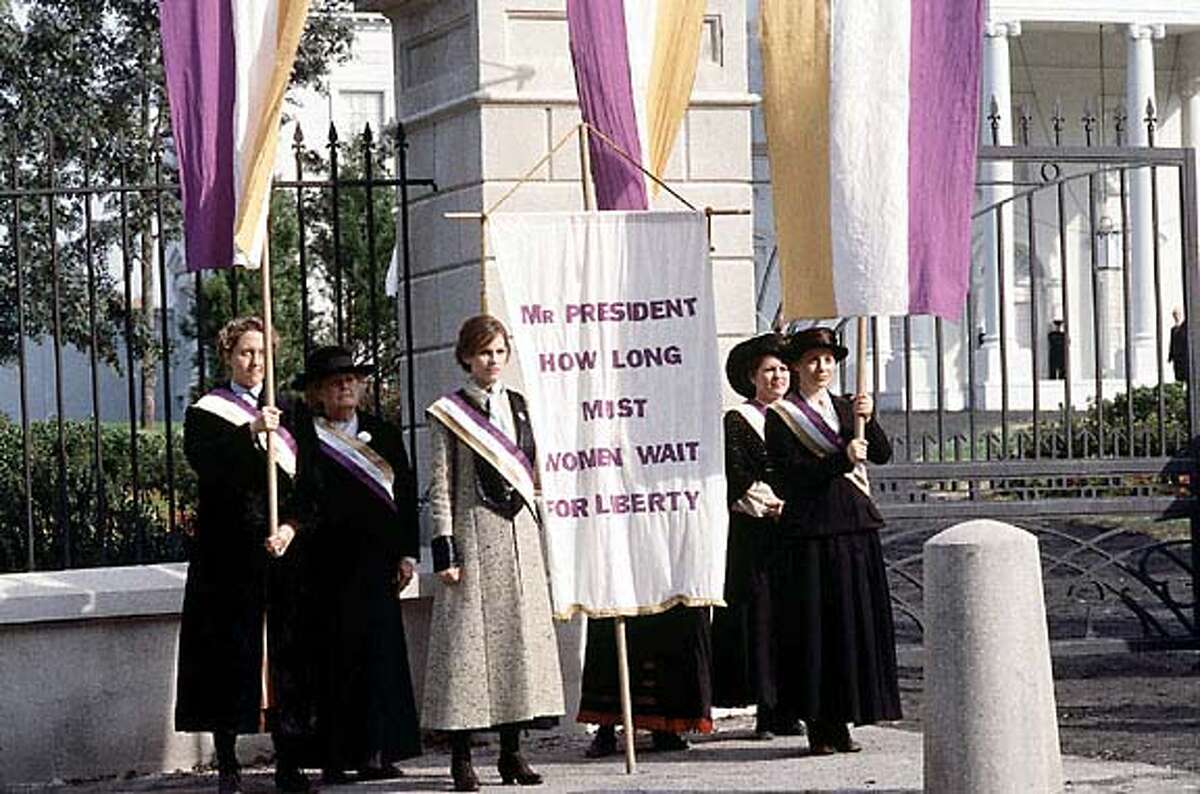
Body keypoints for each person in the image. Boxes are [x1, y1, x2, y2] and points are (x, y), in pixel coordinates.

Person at [423, 315, 564, 791]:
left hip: (518, 537)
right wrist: (445, 548)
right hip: (473, 536)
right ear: (466, 357)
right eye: (484, 352)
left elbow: (537, 474)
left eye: (500, 352)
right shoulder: (449, 411)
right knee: (466, 653)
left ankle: (512, 753)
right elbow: (440, 484)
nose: (492, 361)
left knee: (515, 651)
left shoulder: (521, 407)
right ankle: (461, 759)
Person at [175, 316, 312, 794]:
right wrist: (251, 431)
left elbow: (311, 485)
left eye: (262, 354)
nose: (255, 363)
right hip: (228, 554)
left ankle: (290, 761)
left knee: (287, 657)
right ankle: (229, 760)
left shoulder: (293, 411)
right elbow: (207, 467)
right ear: (229, 357)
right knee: (228, 654)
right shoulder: (206, 412)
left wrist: (292, 527)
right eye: (246, 353)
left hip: (282, 553)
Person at [765, 326, 901, 755]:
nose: (822, 368)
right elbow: (790, 478)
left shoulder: (847, 409)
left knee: (851, 629)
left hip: (855, 527)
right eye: (812, 361)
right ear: (797, 367)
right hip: (811, 532)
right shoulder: (783, 416)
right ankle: (818, 724)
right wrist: (839, 460)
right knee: (816, 630)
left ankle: (844, 719)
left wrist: (871, 416)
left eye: (828, 360)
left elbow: (880, 454)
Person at [291, 345, 422, 784]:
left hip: (376, 565)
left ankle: (377, 751)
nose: (345, 385)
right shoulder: (304, 436)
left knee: (379, 657)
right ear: (317, 393)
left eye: (351, 379)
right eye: (334, 381)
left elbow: (404, 497)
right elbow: (302, 496)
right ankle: (333, 755)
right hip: (325, 565)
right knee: (333, 660)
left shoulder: (383, 434)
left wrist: (407, 552)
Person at [711, 333, 789, 739]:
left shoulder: (800, 417)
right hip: (755, 534)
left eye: (782, 369)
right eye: (769, 371)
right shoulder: (739, 420)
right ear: (752, 377)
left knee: (792, 618)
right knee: (759, 620)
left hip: (793, 535)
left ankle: (791, 707)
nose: (777, 377)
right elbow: (737, 475)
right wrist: (771, 503)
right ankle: (765, 708)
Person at [1169, 308, 1188, 383]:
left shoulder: (1184, 327)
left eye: (1177, 314)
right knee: (1178, 373)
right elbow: (1172, 342)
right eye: (1175, 315)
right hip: (1176, 355)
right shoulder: (1173, 329)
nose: (1176, 317)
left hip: (1183, 354)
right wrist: (1170, 355)